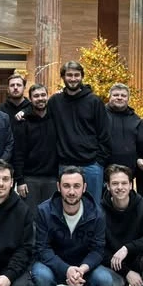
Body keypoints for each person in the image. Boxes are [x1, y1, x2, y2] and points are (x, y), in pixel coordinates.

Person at [33, 167, 121, 286]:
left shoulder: (97, 213)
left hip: (83, 268)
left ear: (84, 188)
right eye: (66, 186)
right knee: (40, 276)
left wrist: (82, 269)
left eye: (76, 186)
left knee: (106, 282)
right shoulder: (44, 211)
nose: (72, 191)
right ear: (58, 187)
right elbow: (42, 249)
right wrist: (66, 269)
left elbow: (97, 250)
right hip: (53, 265)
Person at [46, 61, 111, 206]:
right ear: (63, 77)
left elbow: (104, 133)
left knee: (93, 208)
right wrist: (24, 112)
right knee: (66, 207)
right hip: (65, 165)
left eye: (77, 75)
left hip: (92, 165)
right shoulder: (55, 102)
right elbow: (41, 116)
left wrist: (99, 161)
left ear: (82, 76)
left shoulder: (94, 101)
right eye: (69, 75)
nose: (73, 78)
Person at [13, 84, 58, 213]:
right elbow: (18, 152)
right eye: (36, 96)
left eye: (43, 95)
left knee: (51, 217)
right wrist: (20, 180)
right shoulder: (23, 121)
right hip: (29, 179)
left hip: (52, 178)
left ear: (47, 96)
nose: (40, 98)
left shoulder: (56, 117)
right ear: (31, 99)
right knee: (31, 218)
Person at [106, 83, 140, 176]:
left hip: (129, 169)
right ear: (109, 97)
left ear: (128, 99)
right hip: (104, 168)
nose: (119, 98)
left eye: (123, 96)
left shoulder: (135, 118)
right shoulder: (101, 115)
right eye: (116, 95)